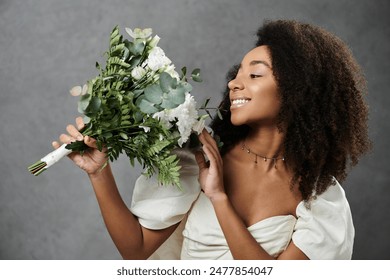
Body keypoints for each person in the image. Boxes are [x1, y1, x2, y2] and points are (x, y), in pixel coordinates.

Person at [53, 20, 371, 259]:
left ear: (298, 89)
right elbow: (135, 250)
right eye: (238, 73)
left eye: (255, 75)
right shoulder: (198, 158)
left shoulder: (322, 198)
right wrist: (98, 172)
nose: (234, 83)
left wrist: (219, 198)